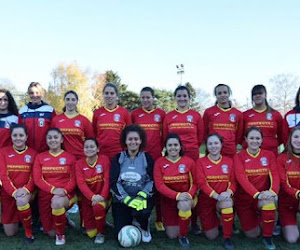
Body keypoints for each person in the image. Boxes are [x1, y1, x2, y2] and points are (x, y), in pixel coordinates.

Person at [163, 85, 203, 234]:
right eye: (179, 96)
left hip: (191, 155)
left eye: (184, 96)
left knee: (192, 187)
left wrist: (190, 149)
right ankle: (176, 216)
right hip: (173, 153)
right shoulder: (169, 116)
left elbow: (200, 136)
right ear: (175, 98)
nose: (182, 98)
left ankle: (194, 223)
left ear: (189, 98)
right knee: (175, 183)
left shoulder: (196, 116)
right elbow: (165, 137)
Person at [234, 127, 279, 250]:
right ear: (246, 140)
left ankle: (267, 237)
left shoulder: (268, 155)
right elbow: (241, 178)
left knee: (269, 201)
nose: (255, 141)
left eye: (258, 138)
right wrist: (257, 194)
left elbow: (275, 175)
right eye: (251, 138)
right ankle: (260, 217)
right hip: (244, 200)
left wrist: (272, 192)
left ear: (262, 140)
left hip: (262, 197)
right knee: (252, 235)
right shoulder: (239, 156)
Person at [110, 125, 154, 243]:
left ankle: (144, 226)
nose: (133, 142)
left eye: (136, 139)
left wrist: (142, 195)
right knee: (119, 233)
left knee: (141, 211)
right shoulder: (118, 158)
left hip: (141, 199)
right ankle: (131, 219)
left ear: (141, 141)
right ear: (125, 141)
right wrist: (127, 199)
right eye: (130, 139)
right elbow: (114, 182)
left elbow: (152, 181)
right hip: (123, 199)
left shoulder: (147, 158)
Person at [33, 128, 76, 245]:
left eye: (56, 137)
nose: (53, 140)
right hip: (46, 196)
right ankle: (64, 218)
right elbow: (37, 179)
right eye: (50, 137)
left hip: (64, 194)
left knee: (57, 203)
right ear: (46, 141)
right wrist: (53, 190)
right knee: (50, 232)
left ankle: (61, 235)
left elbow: (74, 179)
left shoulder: (70, 157)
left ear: (61, 139)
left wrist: (64, 190)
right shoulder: (40, 157)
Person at [131, 86, 165, 231]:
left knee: (156, 188)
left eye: (148, 97)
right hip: (139, 158)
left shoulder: (161, 114)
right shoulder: (135, 114)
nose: (145, 100)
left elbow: (164, 135)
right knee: (137, 186)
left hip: (156, 157)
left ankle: (158, 219)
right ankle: (136, 216)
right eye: (143, 97)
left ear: (153, 98)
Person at [154, 133, 197, 248]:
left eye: (175, 145)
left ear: (180, 146)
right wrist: (177, 195)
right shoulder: (159, 163)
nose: (173, 148)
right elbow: (159, 185)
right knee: (172, 235)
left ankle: (183, 236)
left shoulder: (189, 162)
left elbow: (195, 183)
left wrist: (188, 194)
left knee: (184, 205)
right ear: (165, 147)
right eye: (170, 145)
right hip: (168, 201)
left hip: (186, 198)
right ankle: (183, 222)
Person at [196, 133, 236, 249]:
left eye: (216, 143)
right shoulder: (200, 162)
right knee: (211, 236)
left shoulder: (229, 161)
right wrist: (216, 196)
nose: (213, 146)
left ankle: (227, 238)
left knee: (227, 203)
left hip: (223, 198)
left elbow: (233, 182)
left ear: (221, 144)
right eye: (210, 144)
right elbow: (201, 183)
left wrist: (228, 193)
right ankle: (216, 223)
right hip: (207, 201)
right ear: (206, 146)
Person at [0, 124, 36, 243]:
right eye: (15, 135)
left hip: (26, 193)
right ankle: (22, 218)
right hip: (9, 193)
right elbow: (3, 176)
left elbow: (34, 177)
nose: (18, 138)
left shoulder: (33, 153)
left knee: (21, 201)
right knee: (10, 233)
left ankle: (28, 232)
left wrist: (25, 190)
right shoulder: (3, 152)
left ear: (26, 137)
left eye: (21, 135)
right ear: (11, 137)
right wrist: (14, 192)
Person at [75, 138, 110, 244]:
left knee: (98, 206)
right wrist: (93, 197)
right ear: (83, 149)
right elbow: (81, 184)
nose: (89, 149)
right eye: (86, 147)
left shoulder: (104, 160)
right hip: (88, 200)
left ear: (98, 149)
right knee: (90, 233)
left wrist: (102, 196)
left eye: (92, 146)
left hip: (103, 197)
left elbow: (107, 181)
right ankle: (100, 222)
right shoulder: (79, 164)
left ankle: (101, 233)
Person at [92, 83, 131, 161]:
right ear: (103, 95)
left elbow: (129, 133)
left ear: (116, 96)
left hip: (119, 154)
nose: (109, 95)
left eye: (112, 93)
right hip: (101, 154)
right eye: (106, 93)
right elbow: (94, 133)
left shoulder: (124, 112)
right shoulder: (97, 113)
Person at [203, 84, 243, 158]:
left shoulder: (238, 114)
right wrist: (211, 144)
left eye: (225, 92)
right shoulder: (209, 112)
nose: (222, 95)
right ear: (216, 95)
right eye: (219, 93)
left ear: (229, 94)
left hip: (230, 151)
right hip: (213, 151)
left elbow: (239, 135)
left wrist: (231, 144)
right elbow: (204, 131)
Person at [51, 90, 94, 160]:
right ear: (64, 101)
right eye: (68, 99)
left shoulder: (84, 120)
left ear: (77, 101)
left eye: (73, 100)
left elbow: (91, 140)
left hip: (80, 158)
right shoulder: (56, 120)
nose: (70, 102)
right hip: (62, 158)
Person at [243, 85, 283, 156]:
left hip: (272, 154)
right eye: (255, 94)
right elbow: (240, 136)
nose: (257, 96)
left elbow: (282, 136)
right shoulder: (245, 115)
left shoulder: (276, 114)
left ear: (265, 95)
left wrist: (271, 144)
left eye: (260, 93)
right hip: (250, 155)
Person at [277, 126, 300, 243]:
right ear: (290, 139)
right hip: (287, 202)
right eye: (296, 137)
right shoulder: (282, 158)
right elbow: (284, 184)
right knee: (292, 239)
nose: (299, 140)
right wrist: (298, 193)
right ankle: (283, 225)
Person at [19, 82, 56, 153]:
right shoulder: (22, 111)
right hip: (26, 151)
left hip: (45, 151)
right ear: (28, 94)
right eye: (31, 93)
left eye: (37, 92)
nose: (34, 95)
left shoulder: (49, 110)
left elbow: (54, 131)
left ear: (41, 93)